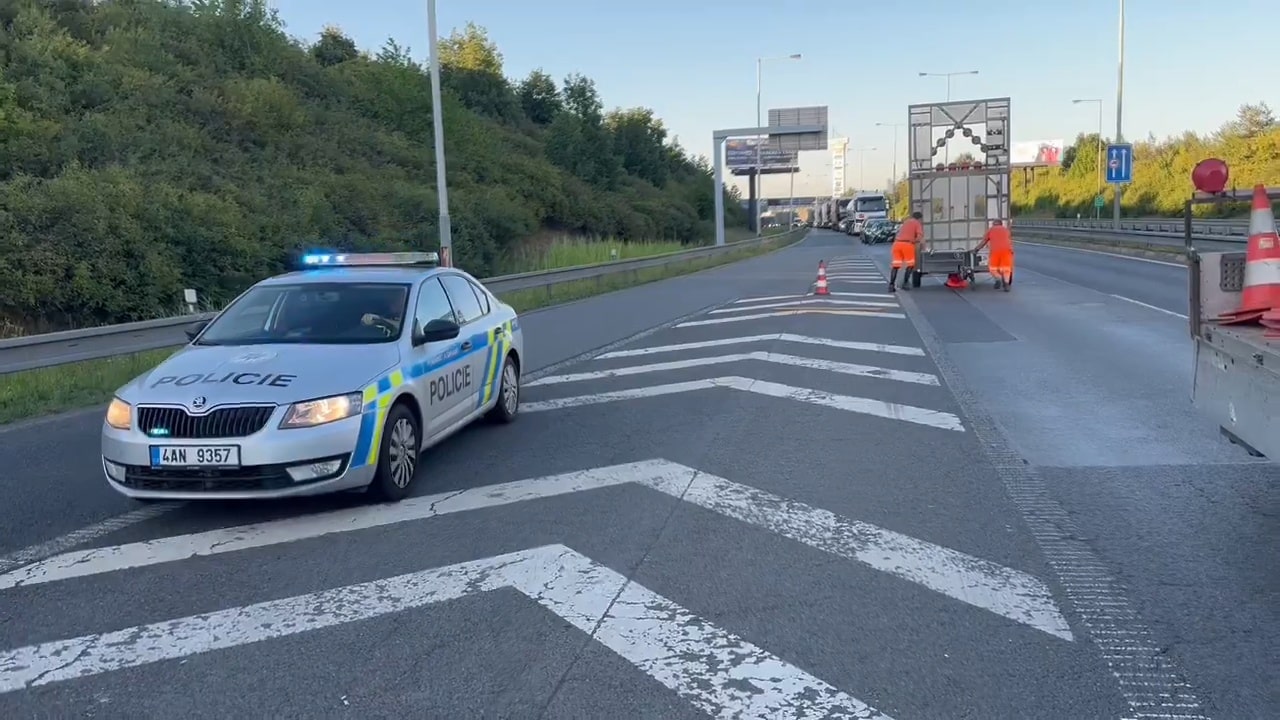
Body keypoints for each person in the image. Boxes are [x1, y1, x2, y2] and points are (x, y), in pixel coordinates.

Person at [889, 211, 924, 292]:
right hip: (907, 245)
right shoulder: (917, 223)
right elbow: (919, 236)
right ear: (919, 218)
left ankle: (891, 285)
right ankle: (905, 283)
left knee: (895, 265)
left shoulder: (906, 222)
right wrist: (915, 241)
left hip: (897, 244)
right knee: (911, 264)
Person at [975, 219, 1014, 290]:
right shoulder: (1006, 230)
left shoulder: (990, 230)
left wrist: (976, 249)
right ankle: (1006, 284)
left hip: (995, 251)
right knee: (1006, 269)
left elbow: (984, 241)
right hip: (1007, 251)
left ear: (994, 224)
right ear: (1001, 224)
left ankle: (998, 278)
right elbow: (1009, 241)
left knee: (992, 268)